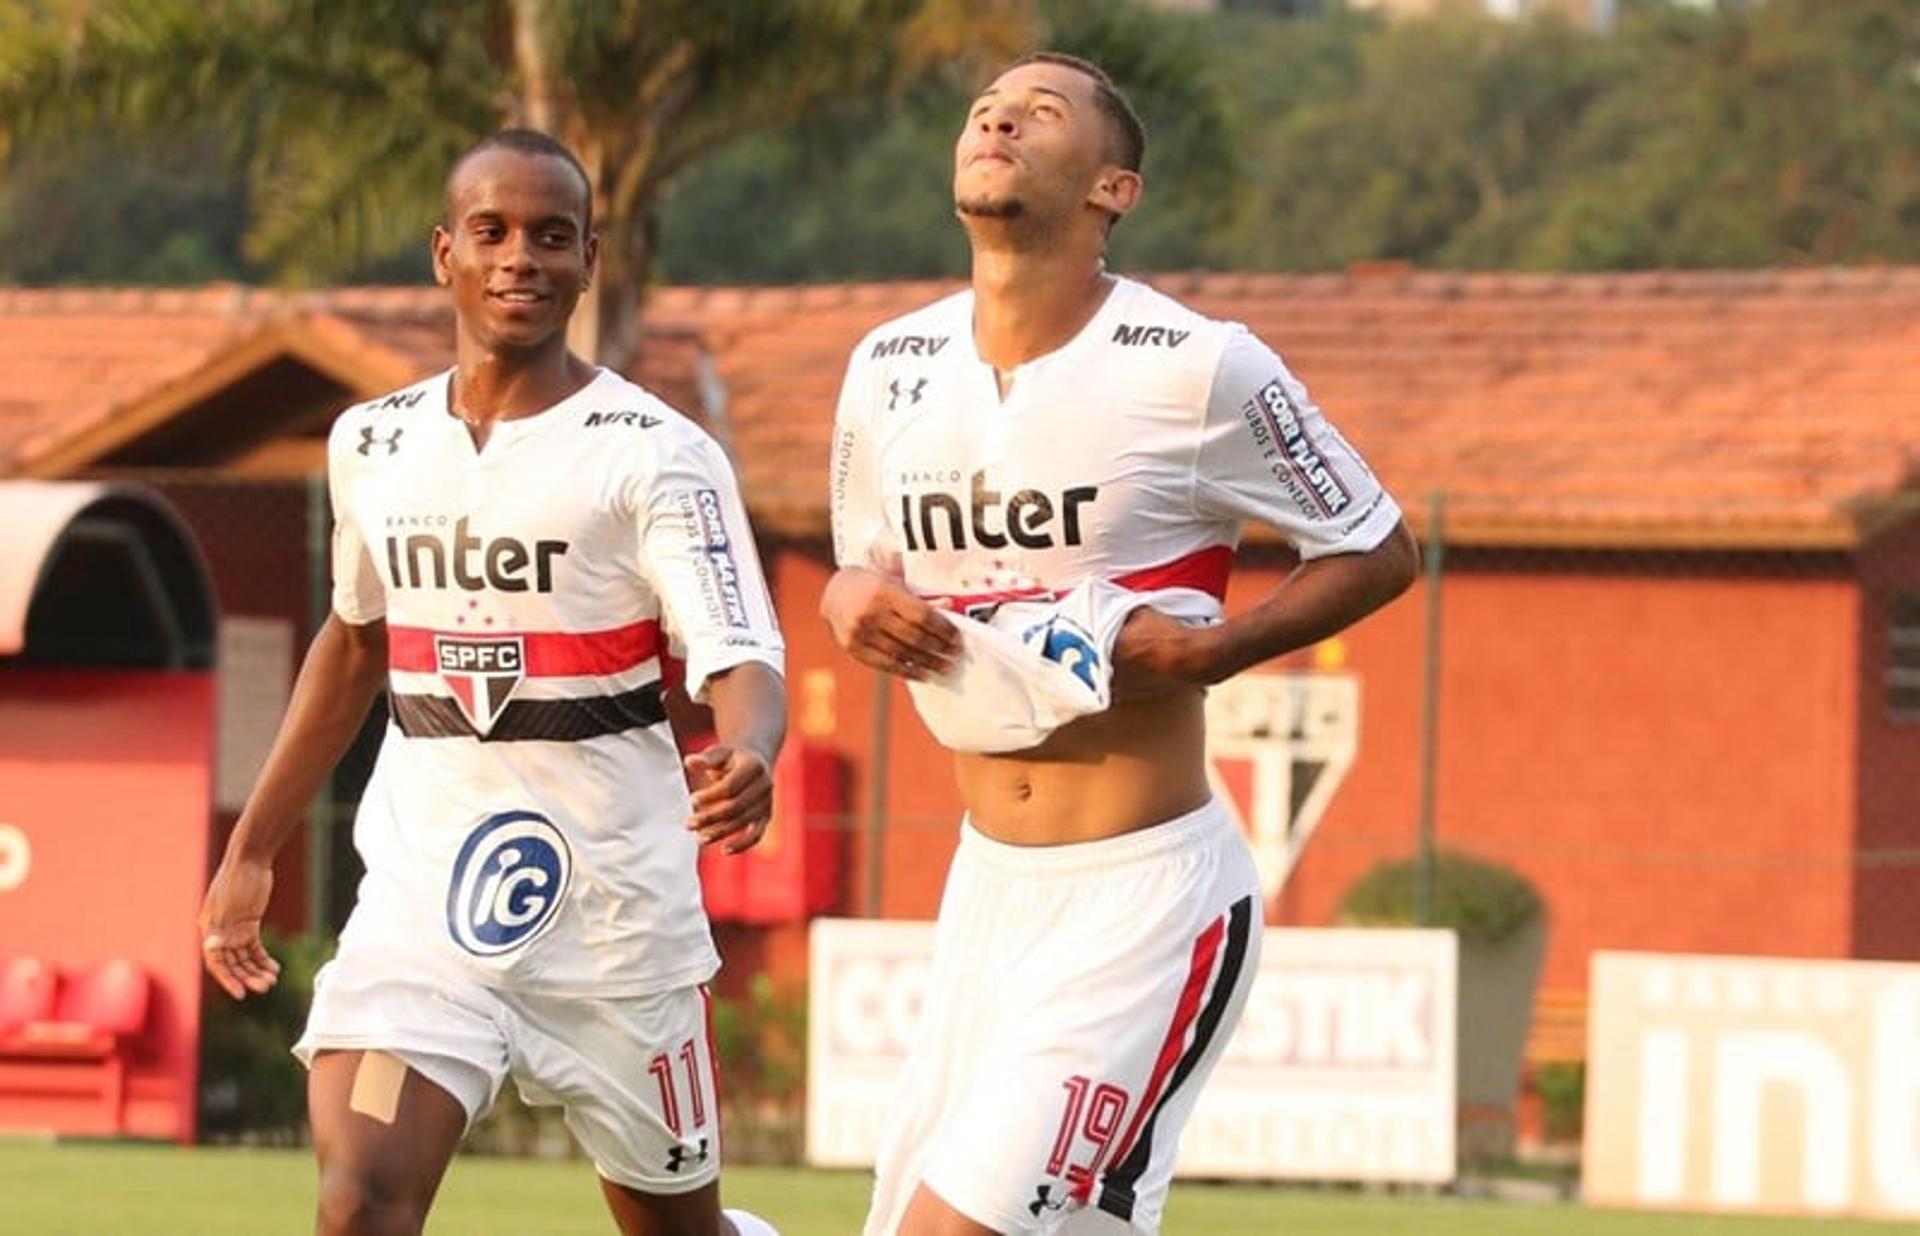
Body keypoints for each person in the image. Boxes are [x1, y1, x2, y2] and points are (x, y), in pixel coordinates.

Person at [822, 53, 1419, 1236]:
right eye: (987, 107)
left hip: (1147, 898)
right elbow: (862, 567)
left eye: (1041, 113)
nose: (998, 119)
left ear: (1113, 190)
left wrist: (1214, 653)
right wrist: (846, 600)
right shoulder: (886, 367)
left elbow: (1381, 545)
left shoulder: (1198, 365)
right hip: (986, 889)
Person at [198, 129, 785, 1236]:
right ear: (444, 255)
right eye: (493, 231)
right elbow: (356, 641)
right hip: (428, 906)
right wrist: (251, 849)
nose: (521, 256)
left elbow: (741, 649)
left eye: (551, 236)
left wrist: (753, 747)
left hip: (617, 920)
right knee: (360, 1200)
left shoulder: (654, 451)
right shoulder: (372, 442)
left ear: (588, 262)